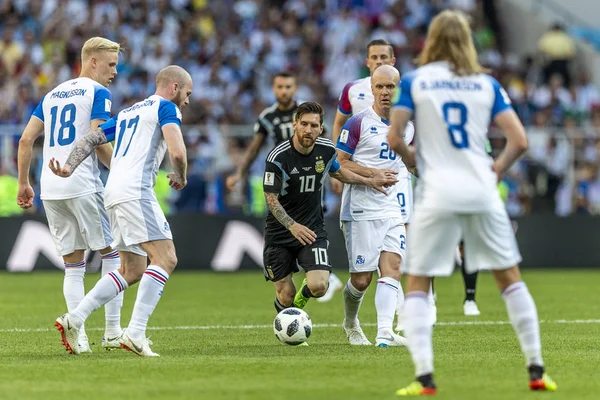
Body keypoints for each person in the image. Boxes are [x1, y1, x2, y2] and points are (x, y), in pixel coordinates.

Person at [387, 10, 556, 395]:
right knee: (509, 278)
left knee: (417, 281)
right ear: (467, 41)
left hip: (438, 190)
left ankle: (425, 378)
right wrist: (494, 171)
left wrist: (417, 165)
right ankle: (536, 370)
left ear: (432, 40)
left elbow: (396, 138)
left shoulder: (415, 81)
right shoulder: (487, 84)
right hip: (481, 189)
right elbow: (520, 141)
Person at [51, 65, 192, 357]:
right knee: (166, 258)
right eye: (188, 94)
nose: (188, 101)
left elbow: (92, 138)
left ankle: (74, 318)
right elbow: (177, 152)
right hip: (136, 191)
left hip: (112, 190)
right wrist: (181, 175)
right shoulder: (166, 108)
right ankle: (135, 333)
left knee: (132, 269)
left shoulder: (128, 112)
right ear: (174, 88)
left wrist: (69, 166)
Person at [16, 37, 123, 352]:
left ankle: (82, 339)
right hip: (82, 183)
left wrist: (24, 183)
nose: (114, 72)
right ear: (92, 61)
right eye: (111, 64)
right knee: (112, 255)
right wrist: (120, 171)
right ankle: (113, 331)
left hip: (50, 187)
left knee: (73, 265)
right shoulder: (98, 92)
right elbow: (97, 139)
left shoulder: (51, 95)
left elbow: (25, 140)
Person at [262, 102, 397, 326]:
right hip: (280, 233)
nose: (308, 129)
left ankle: (296, 315)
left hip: (313, 230)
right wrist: (292, 226)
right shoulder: (278, 157)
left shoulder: (325, 150)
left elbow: (340, 172)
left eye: (314, 125)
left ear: (321, 127)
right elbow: (271, 199)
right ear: (294, 124)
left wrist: (369, 180)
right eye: (303, 124)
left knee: (319, 286)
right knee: (285, 294)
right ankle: (290, 318)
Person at [226, 72, 344, 303]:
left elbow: (326, 146)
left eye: (288, 86)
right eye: (280, 86)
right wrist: (239, 172)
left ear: (294, 87)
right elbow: (254, 148)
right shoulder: (267, 117)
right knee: (285, 288)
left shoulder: (307, 113)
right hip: (281, 182)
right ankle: (310, 276)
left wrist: (334, 175)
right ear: (273, 89)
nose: (284, 91)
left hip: (308, 184)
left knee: (313, 221)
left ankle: (319, 271)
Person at [336, 65, 411, 347]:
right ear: (371, 90)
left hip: (391, 208)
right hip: (360, 209)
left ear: (398, 88)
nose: (384, 92)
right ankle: (350, 322)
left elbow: (409, 163)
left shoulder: (408, 127)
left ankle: (384, 333)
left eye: (390, 87)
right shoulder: (357, 123)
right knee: (362, 280)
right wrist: (372, 176)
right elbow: (338, 164)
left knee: (393, 267)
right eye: (379, 87)